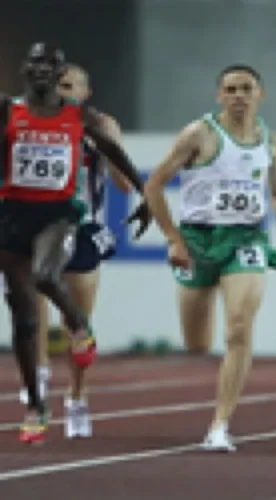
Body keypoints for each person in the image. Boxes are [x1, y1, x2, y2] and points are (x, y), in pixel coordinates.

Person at [0, 43, 150, 444]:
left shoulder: (80, 115)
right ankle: (36, 403)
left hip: (62, 214)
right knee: (25, 320)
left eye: (53, 65)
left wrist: (144, 194)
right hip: (13, 215)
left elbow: (114, 151)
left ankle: (78, 326)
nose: (44, 71)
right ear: (24, 68)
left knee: (45, 275)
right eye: (36, 62)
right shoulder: (7, 109)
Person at [143, 63, 276, 452]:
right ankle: (215, 404)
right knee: (197, 343)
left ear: (261, 94)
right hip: (198, 239)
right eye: (230, 89)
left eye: (246, 88)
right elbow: (154, 185)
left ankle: (220, 425)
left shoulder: (270, 140)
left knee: (239, 329)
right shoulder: (200, 134)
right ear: (219, 96)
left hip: (245, 238)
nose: (239, 96)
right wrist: (174, 239)